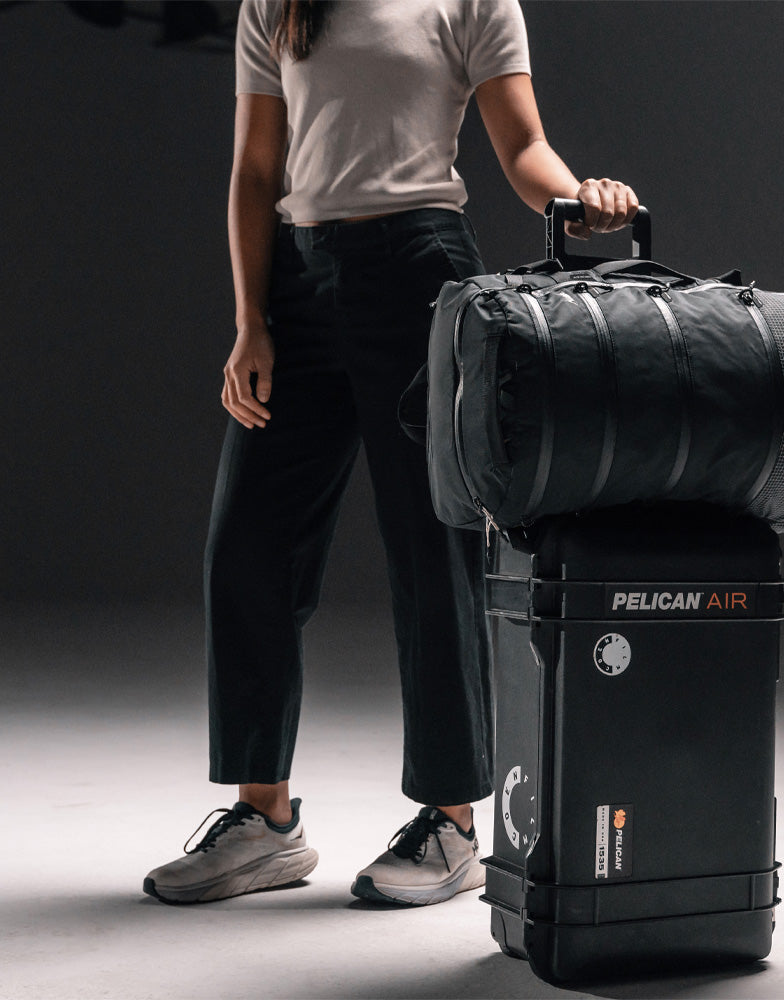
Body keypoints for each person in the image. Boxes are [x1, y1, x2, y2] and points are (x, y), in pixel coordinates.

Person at [144, 0, 638, 907]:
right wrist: (252, 321)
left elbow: (523, 148)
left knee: (431, 546)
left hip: (417, 272)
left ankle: (451, 824)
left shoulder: (474, 2)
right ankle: (267, 822)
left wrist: (577, 198)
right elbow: (257, 169)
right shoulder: (279, 3)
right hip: (297, 279)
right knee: (249, 543)